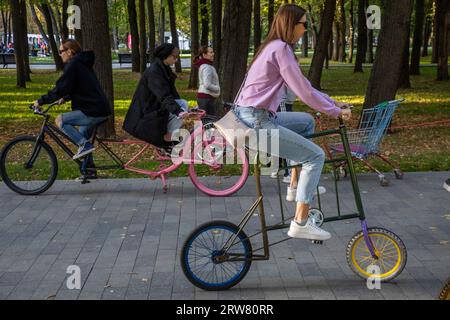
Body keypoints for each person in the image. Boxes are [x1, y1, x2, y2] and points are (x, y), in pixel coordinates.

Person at [234, 4, 352, 241]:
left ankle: (294, 186)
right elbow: (305, 94)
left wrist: (334, 102)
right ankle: (300, 222)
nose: (305, 29)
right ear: (291, 24)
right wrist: (335, 112)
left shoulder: (271, 47)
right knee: (316, 156)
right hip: (256, 122)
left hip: (252, 116)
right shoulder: (281, 49)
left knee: (306, 122)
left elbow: (304, 87)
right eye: (303, 24)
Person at [33, 39, 111, 165]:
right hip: (98, 108)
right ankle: (89, 170)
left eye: (61, 51)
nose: (60, 54)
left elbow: (60, 87)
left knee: (60, 120)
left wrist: (40, 101)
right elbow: (81, 85)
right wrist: (66, 97)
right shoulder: (81, 63)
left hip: (93, 110)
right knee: (83, 134)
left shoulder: (74, 65)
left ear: (70, 51)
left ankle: (85, 147)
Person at [123, 43, 189, 153]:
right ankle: (166, 140)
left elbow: (172, 95)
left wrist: (182, 110)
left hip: (155, 106)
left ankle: (166, 140)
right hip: (146, 111)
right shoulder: (155, 71)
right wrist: (178, 111)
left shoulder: (164, 69)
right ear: (166, 55)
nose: (176, 60)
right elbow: (163, 94)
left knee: (183, 104)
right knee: (181, 106)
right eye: (174, 57)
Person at [194, 46, 220, 116]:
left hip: (205, 98)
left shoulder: (205, 65)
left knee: (206, 121)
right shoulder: (207, 67)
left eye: (213, 52)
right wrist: (217, 88)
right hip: (206, 98)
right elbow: (207, 84)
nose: (213, 54)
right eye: (211, 52)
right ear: (204, 55)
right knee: (208, 122)